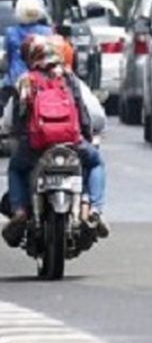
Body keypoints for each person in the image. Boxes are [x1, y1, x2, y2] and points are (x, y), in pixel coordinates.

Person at [1, 34, 108, 247]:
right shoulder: (70, 79)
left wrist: (13, 134)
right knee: (95, 162)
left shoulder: (25, 80)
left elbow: (11, 120)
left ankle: (20, 210)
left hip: (36, 145)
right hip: (72, 142)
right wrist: (85, 135)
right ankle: (94, 209)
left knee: (15, 168)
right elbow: (89, 114)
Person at [5, 0, 52, 87]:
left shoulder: (11, 32)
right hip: (42, 81)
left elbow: (9, 58)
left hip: (16, 80)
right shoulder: (47, 32)